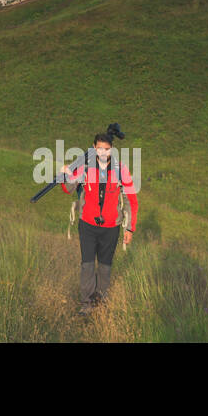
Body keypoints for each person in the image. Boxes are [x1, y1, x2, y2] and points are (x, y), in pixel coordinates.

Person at [60, 131, 139, 315]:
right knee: (87, 265)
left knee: (105, 267)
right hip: (87, 224)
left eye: (107, 149)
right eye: (100, 148)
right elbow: (68, 188)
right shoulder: (85, 167)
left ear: (112, 149)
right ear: (94, 148)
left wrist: (130, 228)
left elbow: (131, 201)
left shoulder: (121, 170)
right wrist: (66, 173)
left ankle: (101, 302)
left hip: (111, 227)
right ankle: (86, 304)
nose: (103, 152)